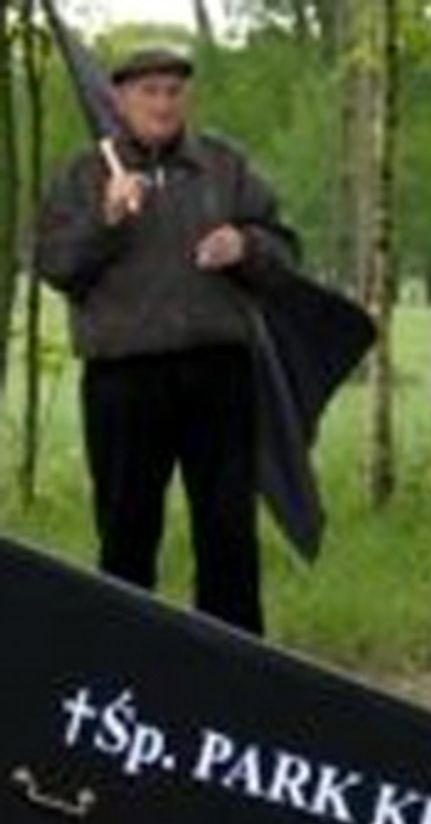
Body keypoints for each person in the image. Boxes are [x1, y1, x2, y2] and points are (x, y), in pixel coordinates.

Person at [35, 45, 297, 636]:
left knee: (228, 534)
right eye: (148, 92)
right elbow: (55, 265)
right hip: (124, 379)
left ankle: (231, 666)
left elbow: (284, 251)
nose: (162, 104)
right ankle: (125, 664)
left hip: (219, 373)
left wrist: (245, 247)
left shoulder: (224, 165)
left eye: (174, 92)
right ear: (120, 100)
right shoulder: (85, 174)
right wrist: (106, 222)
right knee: (126, 533)